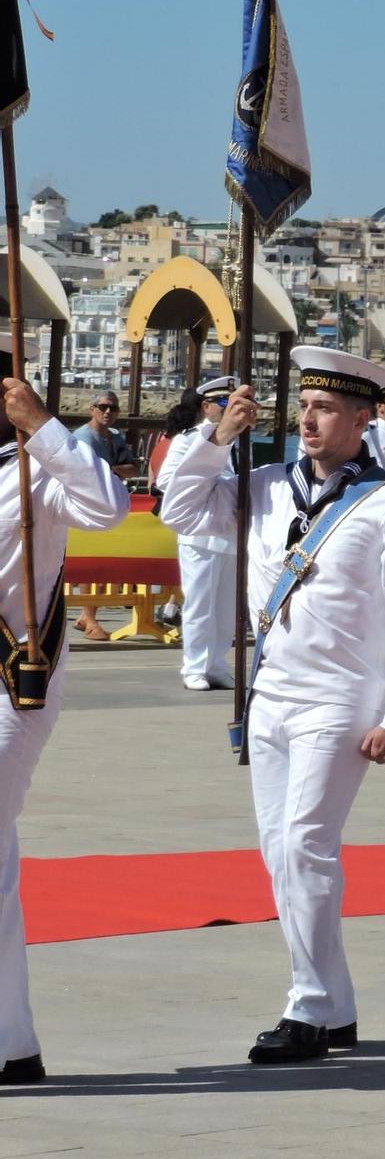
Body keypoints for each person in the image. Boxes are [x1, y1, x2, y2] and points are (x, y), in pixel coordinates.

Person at [160, 347, 385, 1063]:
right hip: (271, 693)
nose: (309, 421)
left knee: (303, 846)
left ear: (360, 417)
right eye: (304, 408)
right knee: (278, 852)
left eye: (325, 409)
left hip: (342, 698)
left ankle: (309, 1009)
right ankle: (336, 1003)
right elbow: (179, 508)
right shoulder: (261, 486)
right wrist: (214, 439)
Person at [1, 362, 130, 1084]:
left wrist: (44, 426)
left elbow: (108, 507)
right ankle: (12, 1044)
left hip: (13, 683)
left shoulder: (36, 472)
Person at [157, 376, 240, 691]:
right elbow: (165, 480)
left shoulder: (238, 442)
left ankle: (217, 665)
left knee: (224, 608)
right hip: (198, 533)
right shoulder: (188, 440)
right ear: (206, 407)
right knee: (199, 603)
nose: (228, 408)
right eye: (223, 403)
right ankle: (193, 667)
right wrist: (205, 481)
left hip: (230, 534)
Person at [71, 391, 136, 642]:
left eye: (113, 408)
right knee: (92, 563)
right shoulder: (82, 438)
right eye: (103, 407)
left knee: (101, 563)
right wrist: (114, 471)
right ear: (92, 409)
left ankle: (87, 614)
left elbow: (133, 468)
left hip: (107, 504)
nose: (108, 411)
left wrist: (111, 469)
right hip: (88, 505)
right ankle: (88, 616)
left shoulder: (116, 438)